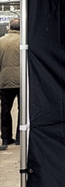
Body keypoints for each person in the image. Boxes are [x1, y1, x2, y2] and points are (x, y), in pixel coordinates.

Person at [0, 17, 20, 150]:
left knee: (5, 110)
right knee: (22, 110)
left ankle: (6, 138)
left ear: (9, 27)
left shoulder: (1, 41)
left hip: (5, 81)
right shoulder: (24, 41)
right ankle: (20, 137)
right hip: (22, 81)